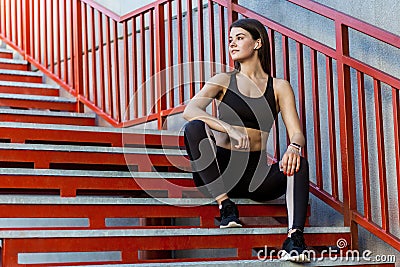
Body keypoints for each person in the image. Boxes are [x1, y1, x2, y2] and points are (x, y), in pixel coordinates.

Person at [182, 18, 310, 263]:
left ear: (258, 43)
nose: (232, 44)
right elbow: (191, 109)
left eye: (240, 38)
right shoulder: (223, 80)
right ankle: (226, 206)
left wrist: (293, 147)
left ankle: (294, 238)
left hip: (255, 175)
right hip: (218, 170)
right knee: (194, 127)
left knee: (299, 164)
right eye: (230, 39)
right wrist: (227, 127)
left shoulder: (279, 87)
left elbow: (297, 132)